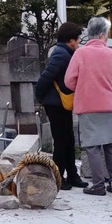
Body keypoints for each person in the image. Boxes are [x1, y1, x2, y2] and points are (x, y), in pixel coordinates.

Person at [64, 16, 112, 196]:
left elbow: (68, 81)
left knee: (93, 147)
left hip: (88, 105)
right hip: (109, 104)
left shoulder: (80, 53)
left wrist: (83, 87)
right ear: (103, 35)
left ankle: (98, 185)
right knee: (111, 145)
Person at [35, 21, 87, 189]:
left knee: (69, 139)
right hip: (55, 103)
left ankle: (72, 175)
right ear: (70, 40)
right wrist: (40, 97)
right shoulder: (60, 54)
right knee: (62, 140)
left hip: (61, 103)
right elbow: (46, 76)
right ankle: (58, 177)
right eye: (77, 39)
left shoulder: (65, 53)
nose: (78, 42)